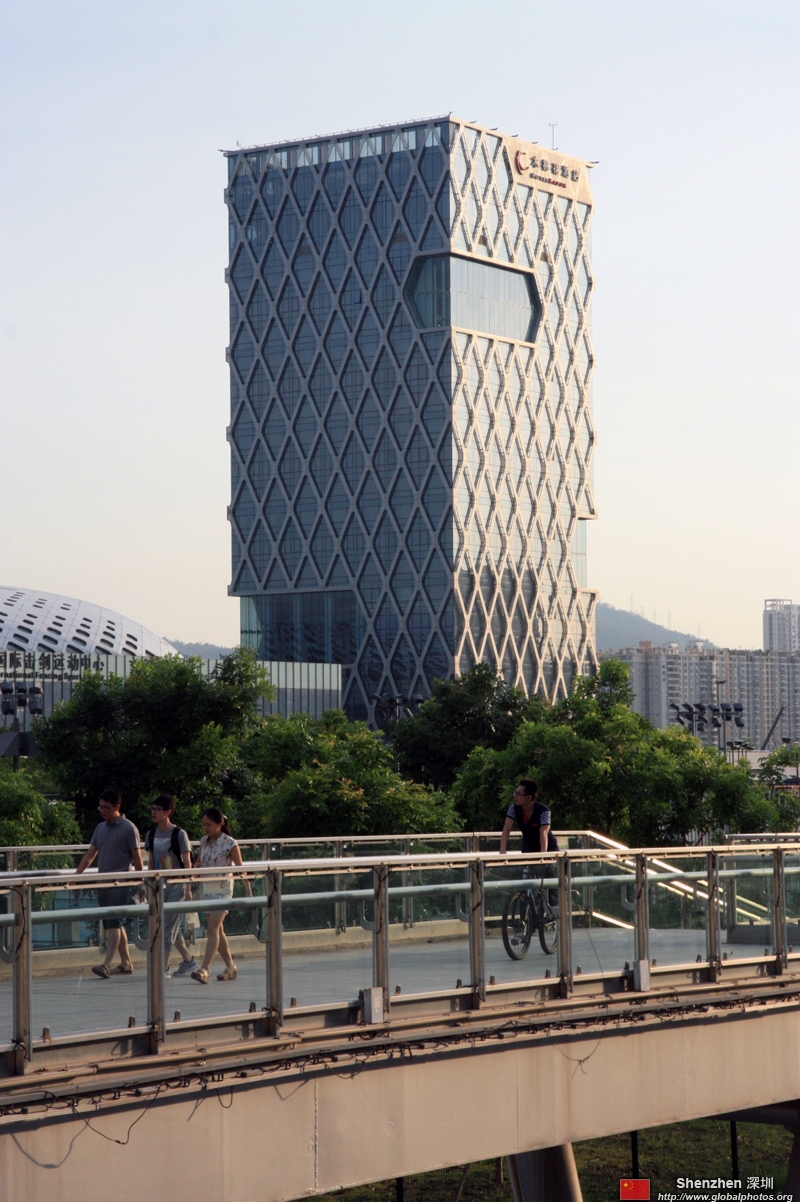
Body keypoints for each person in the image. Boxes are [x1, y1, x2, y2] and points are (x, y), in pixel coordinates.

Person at [76, 789, 143, 978]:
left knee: (114, 922)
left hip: (120, 884)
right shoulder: (100, 828)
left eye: (107, 807)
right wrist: (76, 876)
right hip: (102, 882)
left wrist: (141, 883)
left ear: (117, 807)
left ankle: (106, 963)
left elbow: (137, 858)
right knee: (112, 924)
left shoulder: (129, 828)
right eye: (101, 807)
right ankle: (126, 963)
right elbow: (91, 854)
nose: (103, 811)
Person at [191, 807, 251, 984]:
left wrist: (248, 891)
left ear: (220, 824)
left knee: (213, 928)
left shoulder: (230, 843)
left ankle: (205, 968)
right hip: (207, 889)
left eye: (209, 825)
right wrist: (194, 874)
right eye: (204, 825)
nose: (206, 828)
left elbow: (240, 869)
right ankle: (230, 966)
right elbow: (198, 864)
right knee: (217, 929)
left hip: (223, 890)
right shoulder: (204, 842)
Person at [143, 794, 198, 979]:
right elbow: (151, 862)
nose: (154, 812)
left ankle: (163, 968)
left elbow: (187, 862)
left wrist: (188, 887)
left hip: (177, 885)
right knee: (169, 925)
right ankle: (189, 961)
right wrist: (148, 885)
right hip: (160, 886)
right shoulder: (151, 835)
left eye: (158, 809)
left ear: (168, 812)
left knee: (166, 927)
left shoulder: (179, 834)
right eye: (153, 809)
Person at [499, 778, 559, 905]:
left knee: (549, 879)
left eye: (518, 794)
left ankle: (553, 909)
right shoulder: (514, 808)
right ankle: (526, 908)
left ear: (528, 798)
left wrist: (543, 857)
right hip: (529, 848)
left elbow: (543, 833)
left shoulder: (544, 810)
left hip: (548, 849)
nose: (515, 796)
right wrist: (502, 851)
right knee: (523, 878)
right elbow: (506, 829)